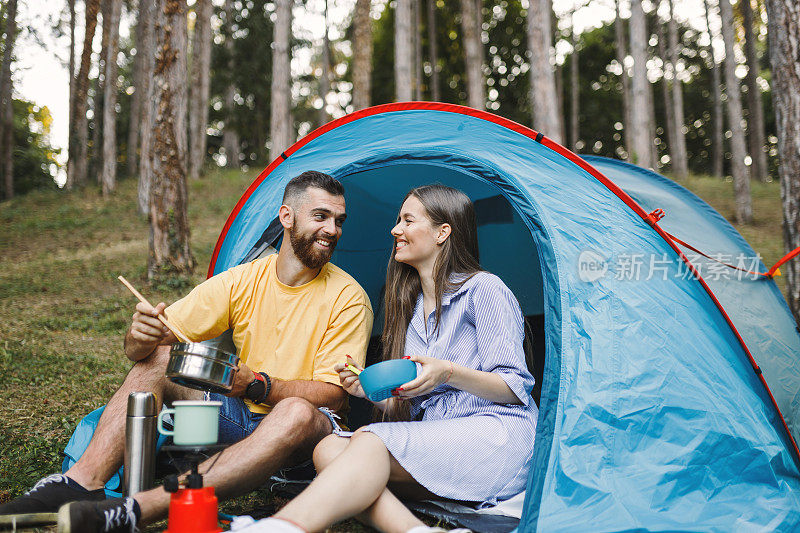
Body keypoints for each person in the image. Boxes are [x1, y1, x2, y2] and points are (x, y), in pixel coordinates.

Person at [0, 171, 373, 533]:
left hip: (306, 437)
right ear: (286, 217)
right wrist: (141, 337)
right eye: (321, 216)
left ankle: (137, 510)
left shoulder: (348, 298)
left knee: (295, 411)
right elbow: (147, 347)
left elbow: (336, 396)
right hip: (238, 416)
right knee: (161, 359)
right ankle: (80, 483)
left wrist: (258, 385)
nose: (332, 230)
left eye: (339, 220)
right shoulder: (243, 279)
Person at [240, 184, 539, 533]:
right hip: (441, 438)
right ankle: (414, 531)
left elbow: (514, 386)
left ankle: (283, 527)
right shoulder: (414, 313)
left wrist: (448, 373)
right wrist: (366, 391)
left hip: (497, 436)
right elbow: (409, 413)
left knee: (369, 441)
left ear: (443, 232)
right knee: (328, 450)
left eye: (408, 220)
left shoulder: (484, 289)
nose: (395, 230)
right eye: (398, 220)